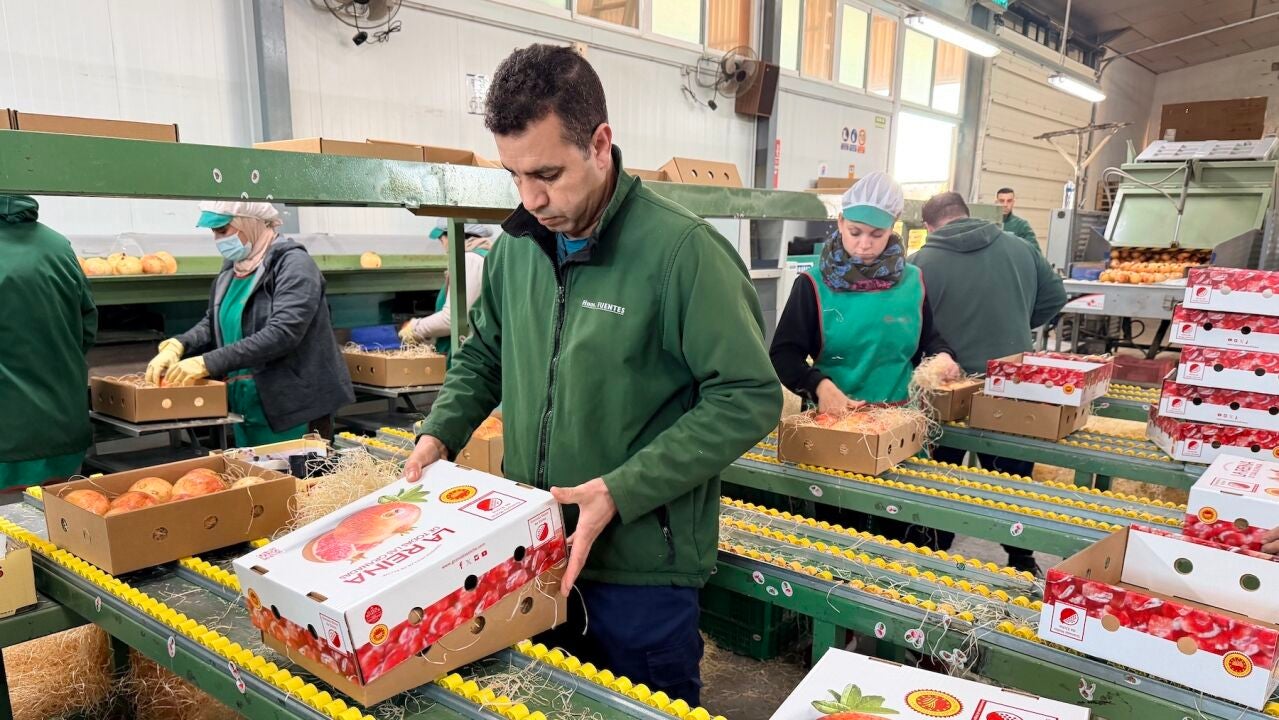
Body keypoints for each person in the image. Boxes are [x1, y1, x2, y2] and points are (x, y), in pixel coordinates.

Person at [402, 43, 781, 705]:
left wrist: (622, 488)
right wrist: (439, 434)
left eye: (547, 173)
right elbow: (485, 353)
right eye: (514, 175)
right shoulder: (517, 249)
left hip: (641, 566)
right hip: (536, 547)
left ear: (600, 144)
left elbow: (747, 395)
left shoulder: (682, 252)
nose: (531, 198)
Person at [911, 191, 1067, 575]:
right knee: (1011, 477)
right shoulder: (1021, 248)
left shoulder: (920, 263)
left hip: (946, 390)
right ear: (968, 214)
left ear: (928, 227)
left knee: (940, 477)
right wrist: (1018, 320)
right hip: (1011, 386)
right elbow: (1056, 296)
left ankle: (933, 553)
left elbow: (910, 325)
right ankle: (1021, 559)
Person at [145, 201, 354, 447]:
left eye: (223, 230)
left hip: (295, 406)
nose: (218, 239)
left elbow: (282, 333)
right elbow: (215, 321)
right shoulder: (232, 270)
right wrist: (179, 345)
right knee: (252, 471)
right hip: (247, 403)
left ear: (249, 223)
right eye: (214, 232)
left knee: (297, 471)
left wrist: (206, 362)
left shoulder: (293, 265)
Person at [770, 172, 960, 410]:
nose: (864, 244)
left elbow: (928, 339)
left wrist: (942, 356)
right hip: (835, 419)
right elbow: (784, 355)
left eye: (877, 234)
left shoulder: (912, 281)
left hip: (901, 419)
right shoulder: (813, 285)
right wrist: (818, 386)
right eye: (855, 232)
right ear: (841, 223)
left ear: (892, 226)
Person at [0, 196, 97, 488]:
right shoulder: (59, 246)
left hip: (7, 439)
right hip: (63, 435)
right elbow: (87, 328)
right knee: (61, 513)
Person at [398, 220, 495, 357]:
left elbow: (453, 319)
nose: (442, 244)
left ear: (453, 235)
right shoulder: (486, 256)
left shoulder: (470, 260)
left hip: (467, 356)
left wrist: (414, 328)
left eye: (441, 238)